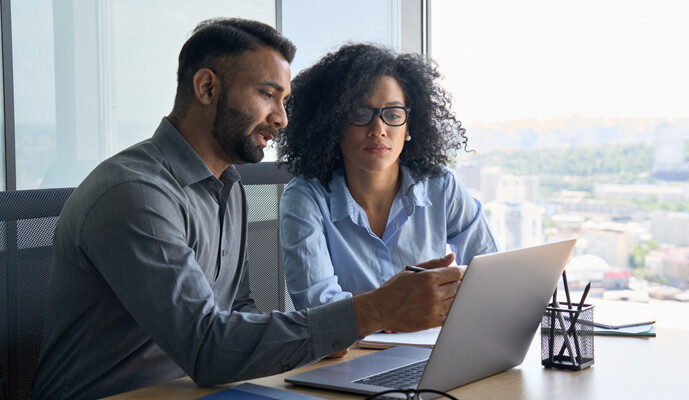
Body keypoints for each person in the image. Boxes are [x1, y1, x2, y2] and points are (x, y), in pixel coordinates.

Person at [31, 19, 464, 400]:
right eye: (266, 95)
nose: (282, 118)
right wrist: (371, 311)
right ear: (207, 88)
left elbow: (237, 309)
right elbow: (206, 348)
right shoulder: (135, 193)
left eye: (284, 100)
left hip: (203, 390)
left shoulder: (229, 185)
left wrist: (322, 333)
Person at [276, 44, 498, 312]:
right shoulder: (305, 198)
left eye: (393, 115)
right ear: (334, 124)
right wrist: (389, 313)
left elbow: (490, 273)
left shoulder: (441, 187)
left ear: (408, 127)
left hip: (433, 345)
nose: (378, 129)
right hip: (350, 352)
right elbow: (318, 308)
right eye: (360, 114)